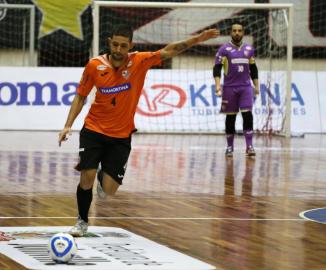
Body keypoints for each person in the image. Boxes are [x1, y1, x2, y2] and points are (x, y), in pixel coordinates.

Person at [58, 25, 219, 237]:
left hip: (121, 136)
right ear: (109, 42)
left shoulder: (139, 61)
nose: (118, 49)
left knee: (109, 190)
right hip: (93, 129)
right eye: (115, 44)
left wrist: (198, 38)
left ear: (130, 46)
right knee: (85, 176)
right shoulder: (94, 65)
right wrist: (68, 124)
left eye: (123, 46)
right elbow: (80, 96)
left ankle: (102, 178)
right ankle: (82, 221)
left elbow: (170, 50)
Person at [213, 21, 259, 157]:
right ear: (230, 32)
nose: (237, 33)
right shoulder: (224, 49)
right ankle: (229, 147)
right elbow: (217, 68)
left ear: (243, 32)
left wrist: (256, 86)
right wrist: (217, 85)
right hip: (229, 88)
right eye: (234, 30)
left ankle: (249, 146)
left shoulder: (249, 49)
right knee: (230, 118)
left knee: (247, 115)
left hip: (245, 88)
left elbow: (253, 69)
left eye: (239, 30)